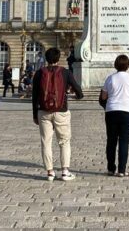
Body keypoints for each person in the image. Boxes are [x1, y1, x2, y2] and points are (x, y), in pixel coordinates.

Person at [33, 47, 84, 181]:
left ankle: (50, 172)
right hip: (61, 111)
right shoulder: (65, 72)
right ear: (58, 58)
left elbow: (34, 96)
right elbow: (79, 92)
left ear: (46, 59)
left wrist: (35, 114)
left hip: (43, 111)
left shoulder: (39, 73)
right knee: (64, 142)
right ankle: (65, 172)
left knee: (46, 142)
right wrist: (74, 95)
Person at [100, 55, 129, 177]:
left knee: (111, 141)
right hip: (126, 112)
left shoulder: (110, 78)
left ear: (115, 65)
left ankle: (111, 169)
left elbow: (103, 97)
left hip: (111, 111)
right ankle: (122, 170)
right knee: (124, 141)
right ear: (128, 65)